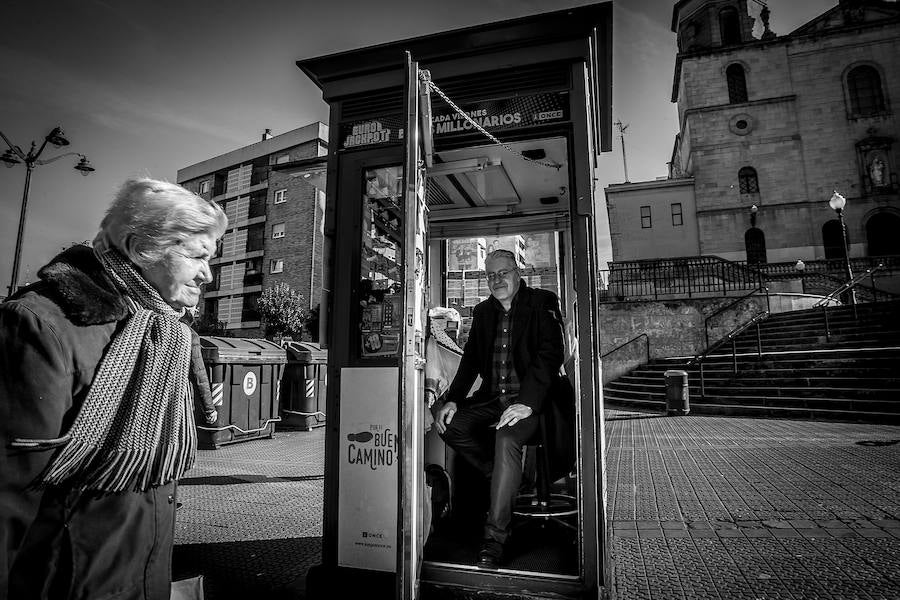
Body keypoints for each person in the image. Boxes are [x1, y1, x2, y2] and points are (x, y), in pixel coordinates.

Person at [1, 178, 227, 599]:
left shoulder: (167, 334)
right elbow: (7, 500)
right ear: (142, 248)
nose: (207, 274)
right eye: (197, 256)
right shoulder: (40, 325)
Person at [433, 249, 564, 568]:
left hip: (533, 404)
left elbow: (551, 355)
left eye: (502, 273)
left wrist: (527, 404)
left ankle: (494, 539)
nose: (496, 280)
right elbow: (471, 361)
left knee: (506, 439)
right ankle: (502, 477)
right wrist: (452, 399)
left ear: (517, 273)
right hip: (493, 400)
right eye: (490, 275)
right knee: (449, 425)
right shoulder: (482, 312)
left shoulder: (542, 302)